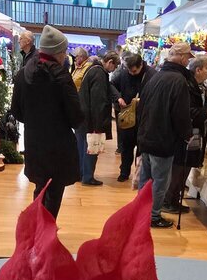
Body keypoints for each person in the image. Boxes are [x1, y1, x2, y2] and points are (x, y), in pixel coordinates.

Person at [11, 25, 83, 219]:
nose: (65, 55)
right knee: (55, 191)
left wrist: (34, 121)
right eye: (64, 51)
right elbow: (76, 117)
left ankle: (37, 227)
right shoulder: (61, 76)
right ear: (58, 53)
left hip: (34, 142)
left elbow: (16, 111)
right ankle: (45, 230)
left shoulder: (23, 74)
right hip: (58, 146)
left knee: (40, 188)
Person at [137, 42, 193, 229]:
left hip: (147, 136)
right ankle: (153, 216)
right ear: (182, 57)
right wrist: (186, 134)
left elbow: (141, 106)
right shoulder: (179, 80)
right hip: (163, 139)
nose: (188, 61)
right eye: (187, 57)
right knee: (160, 181)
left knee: (146, 180)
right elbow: (180, 113)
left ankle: (140, 213)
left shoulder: (155, 76)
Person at [163, 54, 207, 214]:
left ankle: (175, 199)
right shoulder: (186, 85)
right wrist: (206, 113)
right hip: (185, 134)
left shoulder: (199, 87)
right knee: (179, 167)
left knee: (186, 167)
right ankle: (167, 201)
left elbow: (202, 110)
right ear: (198, 69)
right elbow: (186, 111)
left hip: (195, 132)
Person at [76, 51, 120, 186]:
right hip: (91, 118)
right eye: (115, 66)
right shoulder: (100, 74)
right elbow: (98, 101)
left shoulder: (91, 68)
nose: (114, 69)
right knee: (92, 147)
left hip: (82, 116)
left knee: (81, 147)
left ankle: (81, 173)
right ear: (110, 62)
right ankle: (88, 176)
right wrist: (98, 124)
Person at [111, 53, 157, 182]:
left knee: (142, 149)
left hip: (145, 118)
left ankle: (139, 175)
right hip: (127, 117)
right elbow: (111, 84)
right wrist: (118, 97)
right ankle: (124, 172)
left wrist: (144, 100)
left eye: (134, 71)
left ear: (141, 65)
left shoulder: (152, 75)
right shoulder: (124, 73)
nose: (131, 73)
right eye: (129, 71)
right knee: (126, 146)